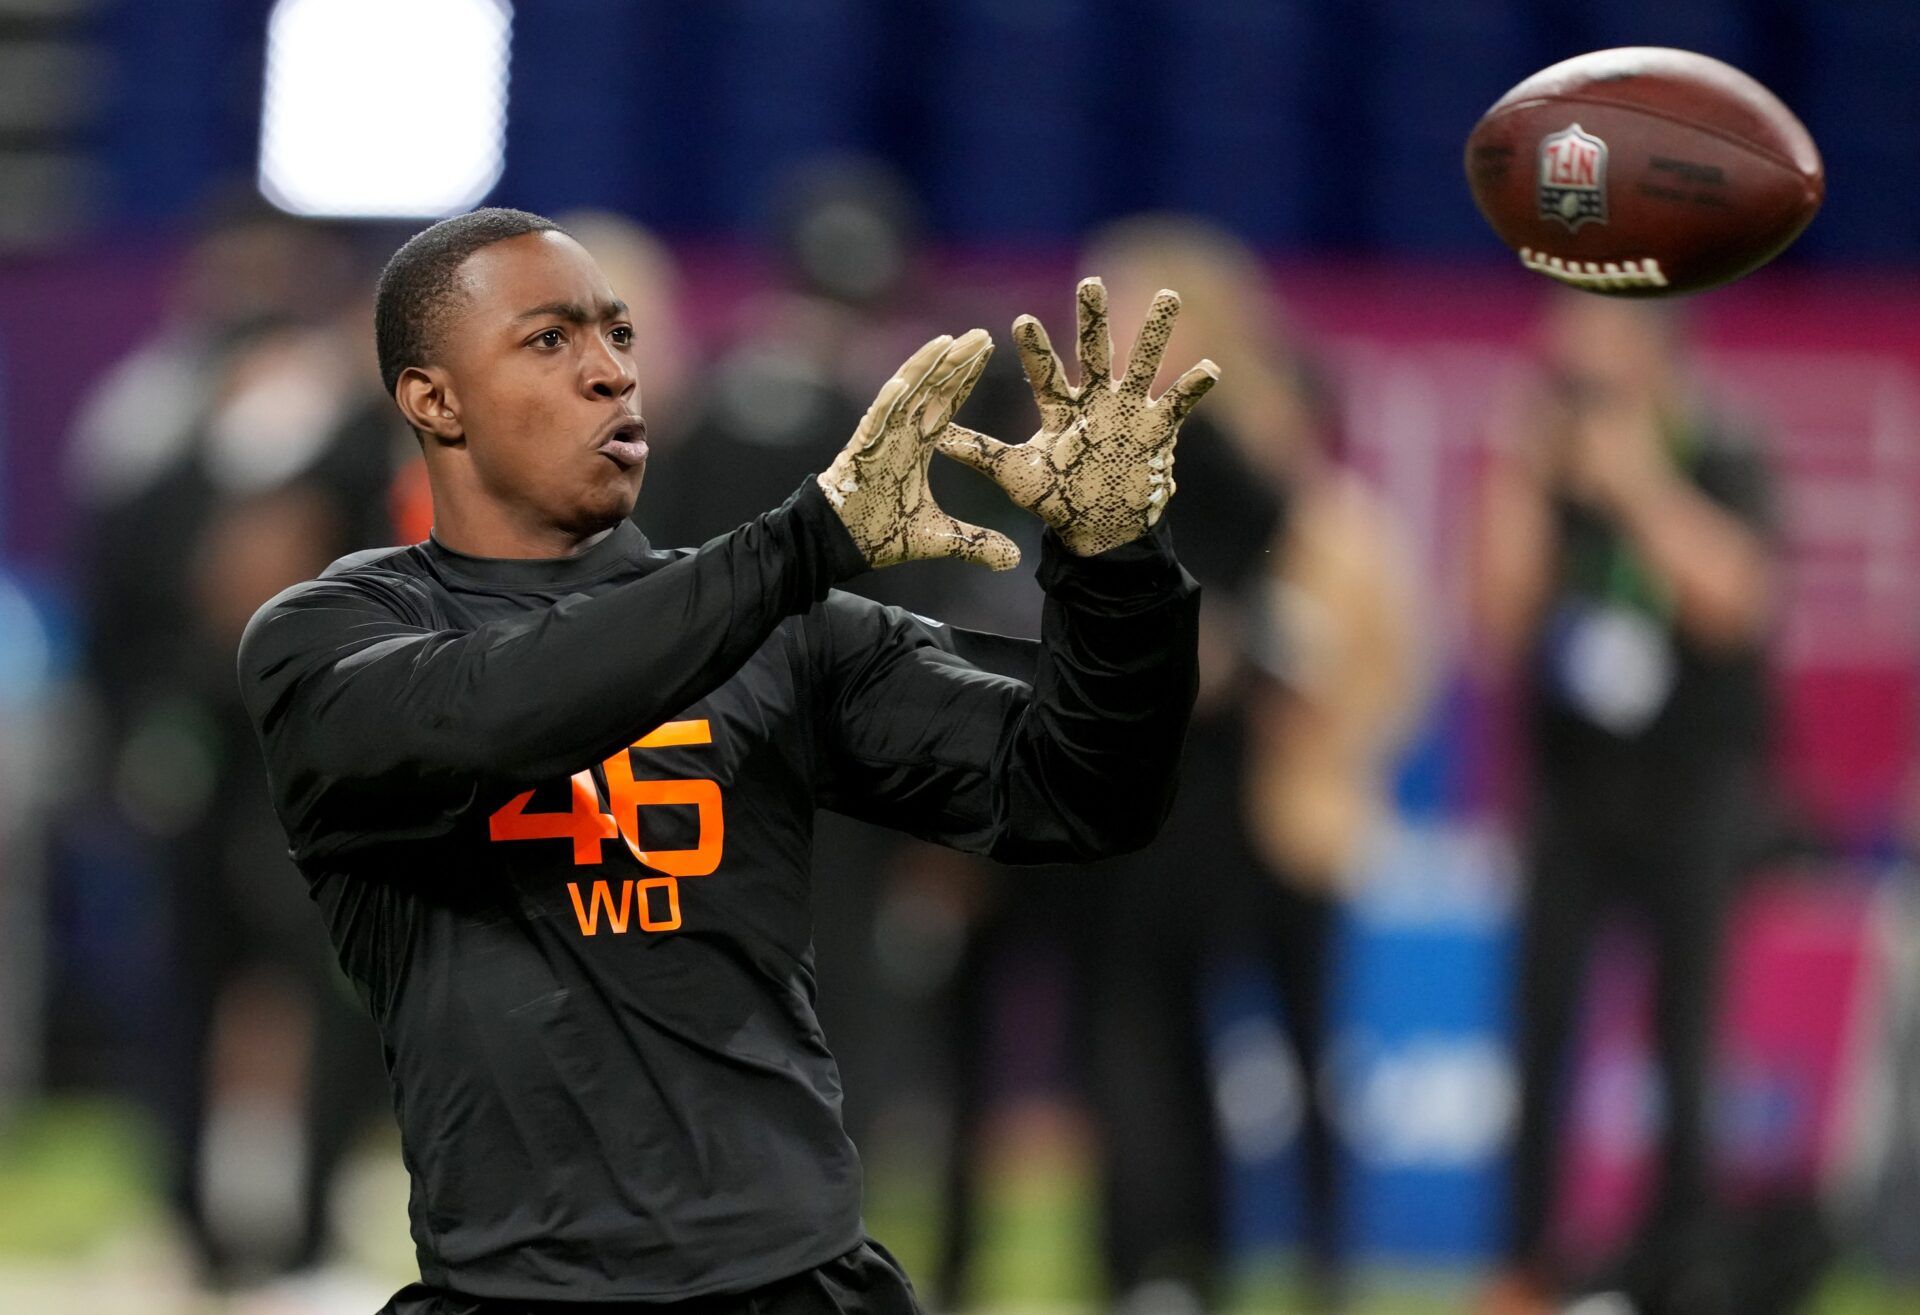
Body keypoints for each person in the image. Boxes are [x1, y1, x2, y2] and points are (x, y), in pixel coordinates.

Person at [236, 208, 1219, 1314]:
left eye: (619, 335)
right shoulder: (328, 638)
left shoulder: (779, 624)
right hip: (515, 1287)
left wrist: (1117, 567)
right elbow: (491, 713)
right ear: (433, 398)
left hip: (792, 1281)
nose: (610, 372)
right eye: (550, 340)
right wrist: (805, 542)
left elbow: (1085, 792)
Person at [1473, 294, 1776, 1315]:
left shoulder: (1719, 447)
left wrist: (1640, 483)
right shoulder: (1549, 463)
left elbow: (1731, 602)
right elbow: (1499, 617)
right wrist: (1525, 471)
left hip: (1694, 793)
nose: (1564, 351)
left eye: (1590, 333)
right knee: (1539, 1031)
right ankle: (1527, 1264)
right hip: (1571, 792)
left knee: (1685, 1042)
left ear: (1654, 349)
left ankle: (1683, 1266)